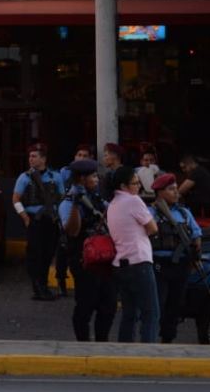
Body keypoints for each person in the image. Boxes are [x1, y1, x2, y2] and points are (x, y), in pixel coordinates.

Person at [58, 158, 116, 342]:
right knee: (86, 303)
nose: (97, 179)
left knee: (108, 304)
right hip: (83, 260)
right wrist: (76, 204)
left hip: (104, 258)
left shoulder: (96, 198)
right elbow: (72, 231)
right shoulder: (68, 202)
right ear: (82, 179)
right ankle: (83, 343)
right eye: (93, 176)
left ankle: (101, 341)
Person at [107, 166, 160, 343]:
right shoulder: (133, 201)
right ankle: (148, 353)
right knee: (150, 312)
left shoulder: (113, 204)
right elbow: (153, 228)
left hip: (121, 264)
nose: (138, 186)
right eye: (135, 183)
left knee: (129, 313)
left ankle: (125, 352)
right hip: (139, 262)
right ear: (124, 186)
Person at [149, 173, 203, 344]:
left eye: (175, 189)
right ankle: (152, 335)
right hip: (160, 264)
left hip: (181, 264)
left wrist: (195, 253)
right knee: (159, 302)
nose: (176, 192)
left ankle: (168, 338)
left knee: (176, 303)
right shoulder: (151, 213)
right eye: (171, 189)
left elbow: (196, 234)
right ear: (160, 192)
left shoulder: (184, 213)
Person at [12, 143, 65, 301]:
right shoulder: (25, 178)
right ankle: (38, 286)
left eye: (34, 156)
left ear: (43, 159)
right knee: (35, 254)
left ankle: (43, 285)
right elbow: (15, 199)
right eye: (30, 156)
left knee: (48, 253)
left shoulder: (55, 177)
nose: (31, 159)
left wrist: (60, 218)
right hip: (34, 220)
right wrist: (25, 218)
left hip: (51, 220)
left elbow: (62, 198)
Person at [55, 143, 94, 296]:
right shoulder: (66, 173)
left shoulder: (91, 179)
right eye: (79, 155)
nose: (81, 158)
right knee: (63, 249)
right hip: (67, 214)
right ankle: (61, 280)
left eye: (85, 156)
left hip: (84, 221)